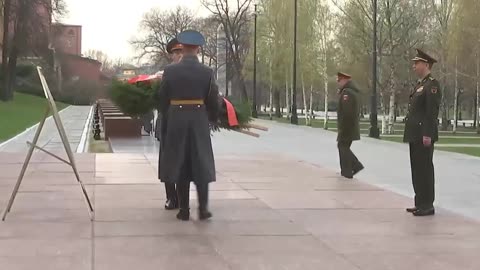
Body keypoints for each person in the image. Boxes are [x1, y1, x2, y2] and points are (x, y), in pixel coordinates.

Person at [156, 30, 219, 221]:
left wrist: (168, 116)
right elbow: (212, 100)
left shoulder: (170, 71)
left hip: (176, 120)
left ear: (181, 47)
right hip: (198, 119)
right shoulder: (207, 72)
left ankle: (184, 210)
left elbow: (162, 99)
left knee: (181, 163)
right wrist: (212, 118)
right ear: (198, 49)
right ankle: (203, 208)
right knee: (200, 162)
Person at [404, 48, 441, 216]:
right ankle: (419, 202)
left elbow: (431, 112)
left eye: (416, 63)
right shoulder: (420, 85)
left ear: (426, 64)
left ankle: (427, 205)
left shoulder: (432, 85)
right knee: (416, 169)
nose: (414, 66)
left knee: (425, 169)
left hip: (423, 134)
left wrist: (427, 133)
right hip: (414, 133)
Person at [156, 37, 184, 210]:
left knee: (183, 161)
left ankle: (181, 197)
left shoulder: (195, 72)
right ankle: (171, 197)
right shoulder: (167, 72)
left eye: (182, 52)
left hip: (185, 123)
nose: (179, 56)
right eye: (176, 53)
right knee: (167, 159)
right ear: (171, 55)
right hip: (168, 120)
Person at [336, 72, 364, 179]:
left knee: (342, 146)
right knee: (343, 146)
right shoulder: (351, 91)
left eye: (339, 80)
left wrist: (343, 128)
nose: (338, 83)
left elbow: (347, 112)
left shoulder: (347, 93)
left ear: (345, 80)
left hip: (347, 126)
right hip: (350, 126)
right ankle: (351, 167)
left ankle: (349, 169)